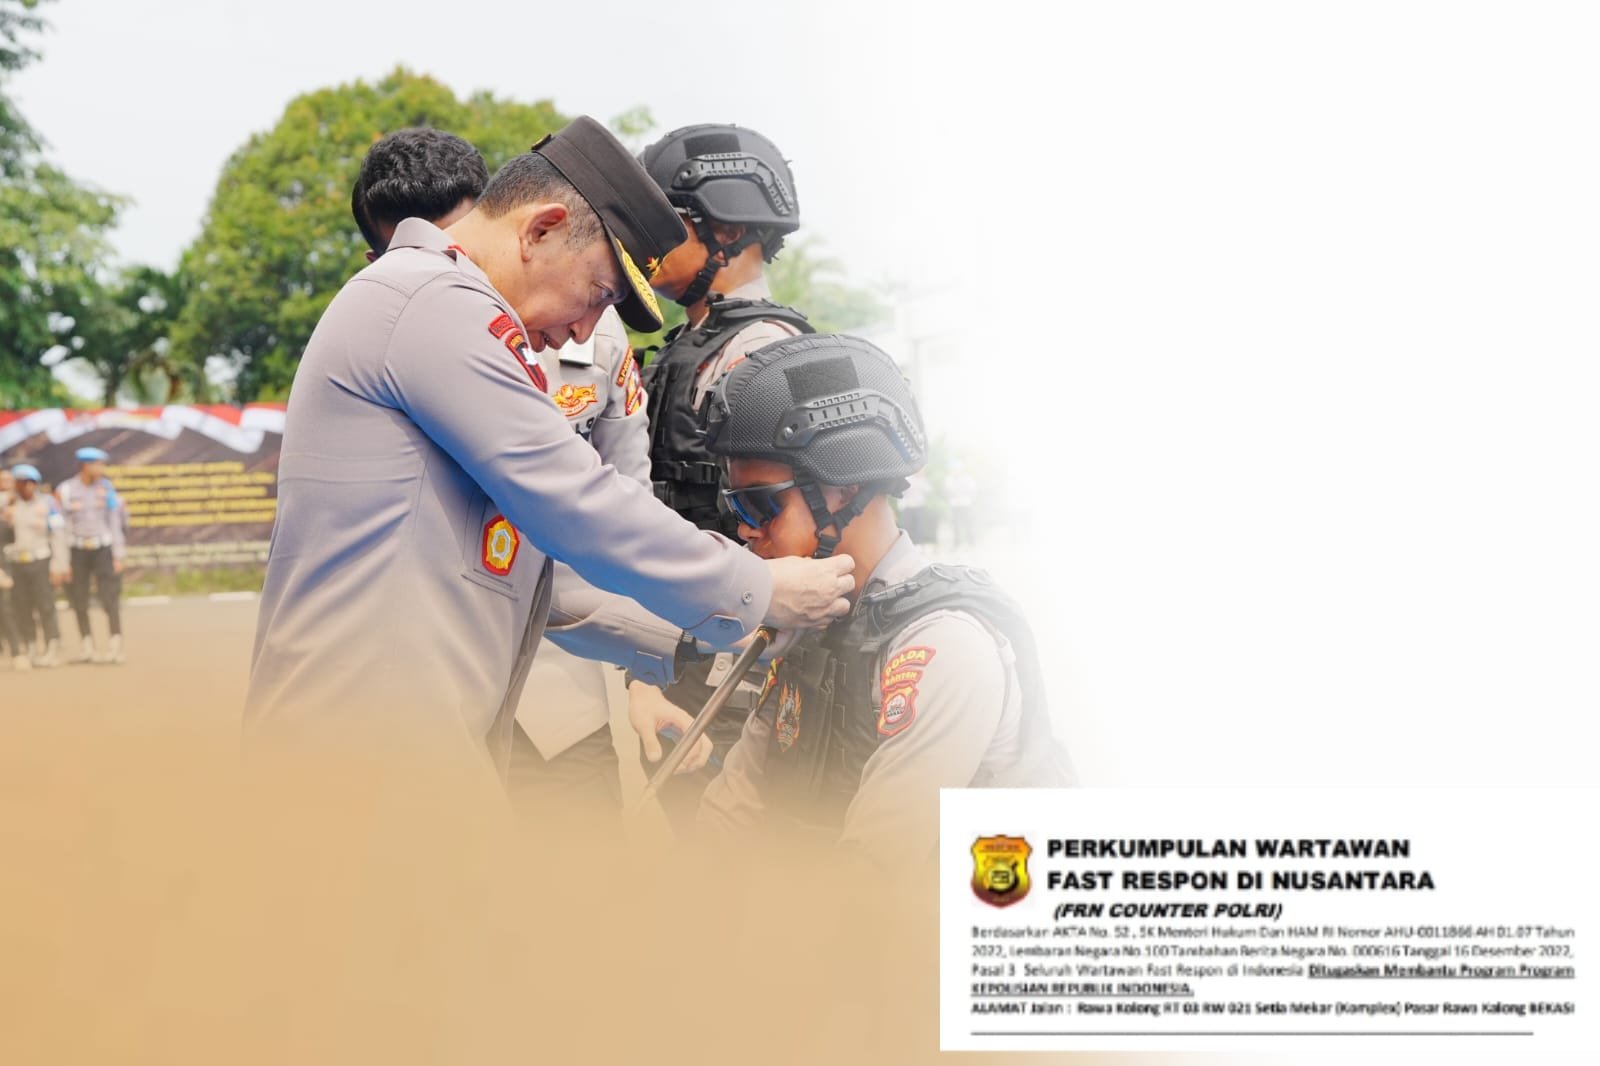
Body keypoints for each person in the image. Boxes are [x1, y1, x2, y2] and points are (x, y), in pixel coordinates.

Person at [246, 116, 855, 771]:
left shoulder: (431, 300)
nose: (583, 334)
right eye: (597, 295)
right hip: (363, 750)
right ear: (540, 230)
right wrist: (755, 587)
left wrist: (695, 635)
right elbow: (575, 502)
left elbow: (542, 561)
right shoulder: (433, 299)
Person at [348, 127, 708, 822]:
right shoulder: (381, 333)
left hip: (559, 700)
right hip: (422, 689)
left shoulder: (593, 330)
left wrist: (644, 677)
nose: (456, 271)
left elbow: (623, 510)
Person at [695, 334, 1074, 868]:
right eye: (734, 507)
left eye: (758, 506)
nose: (744, 529)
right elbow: (732, 807)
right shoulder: (814, 617)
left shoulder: (945, 643)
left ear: (843, 492)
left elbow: (875, 871)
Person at [627, 124, 815, 828]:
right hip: (679, 654)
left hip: (735, 672)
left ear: (728, 230)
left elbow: (794, 535)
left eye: (667, 222)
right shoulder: (689, 347)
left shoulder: (762, 357)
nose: (646, 243)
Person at [56, 447, 125, 664]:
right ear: (85, 465)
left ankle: (115, 644)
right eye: (97, 464)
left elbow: (115, 522)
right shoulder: (66, 490)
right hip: (77, 550)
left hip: (102, 549)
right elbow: (61, 528)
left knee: (109, 597)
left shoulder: (107, 488)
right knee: (79, 599)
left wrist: (118, 554)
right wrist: (63, 561)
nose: (101, 468)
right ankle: (87, 646)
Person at [3, 464, 67, 668]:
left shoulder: (48, 504)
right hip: (16, 563)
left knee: (45, 605)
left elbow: (58, 535)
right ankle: (29, 644)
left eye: (30, 482)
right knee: (21, 606)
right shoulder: (7, 504)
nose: (26, 487)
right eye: (21, 483)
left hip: (40, 560)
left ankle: (52, 646)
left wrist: (58, 565)